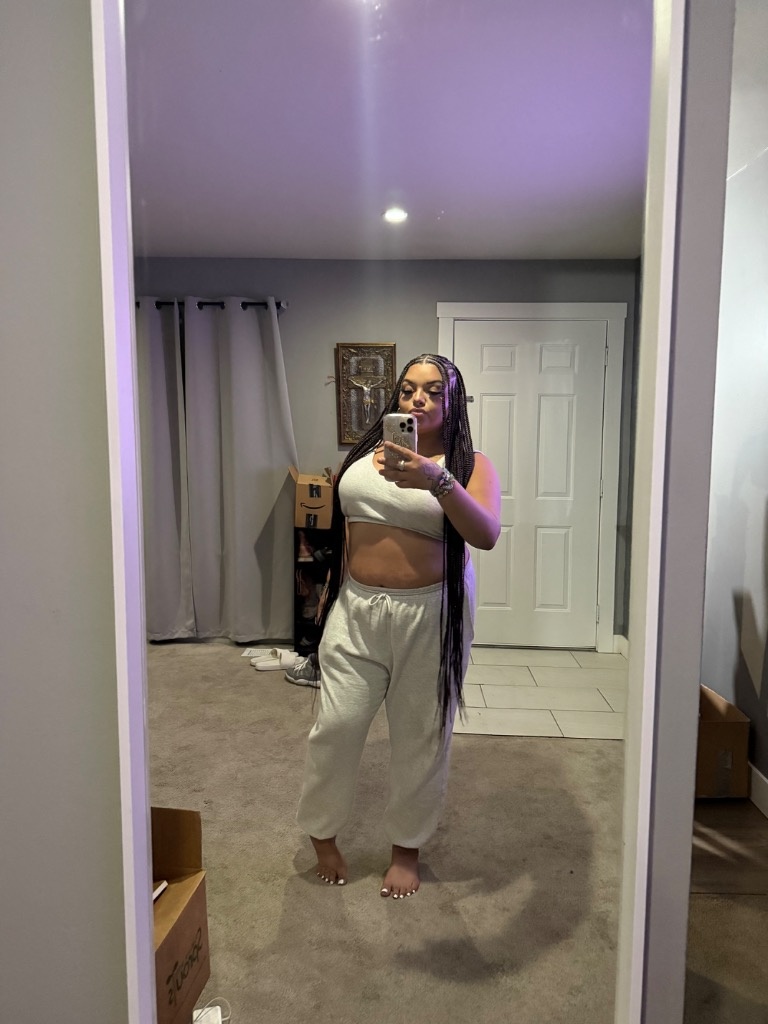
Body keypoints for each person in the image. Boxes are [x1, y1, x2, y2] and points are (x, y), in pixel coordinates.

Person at [296, 353, 501, 899]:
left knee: (421, 736)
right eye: (408, 389)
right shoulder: (368, 453)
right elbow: (349, 525)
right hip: (357, 609)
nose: (417, 399)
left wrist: (438, 480)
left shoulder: (470, 464)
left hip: (430, 614)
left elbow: (485, 534)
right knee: (336, 726)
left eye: (433, 391)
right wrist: (333, 588)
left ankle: (406, 849)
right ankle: (321, 832)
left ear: (453, 403)